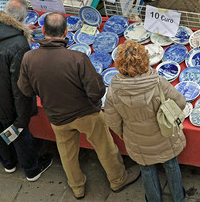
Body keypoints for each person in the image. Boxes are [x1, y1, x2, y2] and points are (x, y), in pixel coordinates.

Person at [17, 13, 141, 199]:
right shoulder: (77, 58)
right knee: (105, 147)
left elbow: (25, 90)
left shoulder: (28, 58)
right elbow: (96, 90)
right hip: (86, 114)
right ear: (66, 32)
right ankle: (118, 179)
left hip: (57, 117)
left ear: (43, 31)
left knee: (67, 154)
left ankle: (77, 187)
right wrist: (94, 102)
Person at [0, 0, 53, 181]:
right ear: (22, 19)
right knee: (19, 135)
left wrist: (23, 33)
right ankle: (32, 170)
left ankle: (8, 163)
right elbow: (20, 85)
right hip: (4, 101)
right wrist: (22, 117)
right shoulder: (19, 44)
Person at [105, 40, 186, 202]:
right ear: (144, 60)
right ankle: (178, 197)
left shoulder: (114, 90)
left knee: (147, 170)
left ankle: (153, 198)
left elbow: (112, 119)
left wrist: (123, 133)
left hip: (136, 140)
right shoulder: (158, 82)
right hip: (164, 135)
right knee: (171, 165)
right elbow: (180, 102)